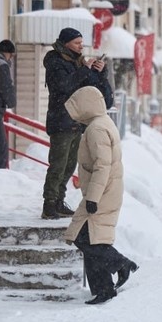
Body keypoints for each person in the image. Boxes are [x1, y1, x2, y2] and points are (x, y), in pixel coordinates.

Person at [63, 86, 138, 305]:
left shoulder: (96, 129)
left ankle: (121, 263)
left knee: (84, 237)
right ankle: (104, 289)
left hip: (102, 191)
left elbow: (102, 166)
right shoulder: (102, 123)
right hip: (106, 189)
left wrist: (93, 198)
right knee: (92, 238)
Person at [41, 27, 114, 220]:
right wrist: (84, 70)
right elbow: (63, 86)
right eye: (77, 43)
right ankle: (49, 203)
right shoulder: (55, 61)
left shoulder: (78, 63)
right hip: (61, 120)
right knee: (58, 163)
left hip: (77, 121)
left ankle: (59, 200)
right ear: (66, 43)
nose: (81, 46)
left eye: (82, 43)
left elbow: (96, 92)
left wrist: (100, 73)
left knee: (70, 165)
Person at [0, 40, 17, 169]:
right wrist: (11, 102)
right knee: (1, 149)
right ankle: (0, 178)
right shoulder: (2, 65)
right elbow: (6, 89)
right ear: (8, 53)